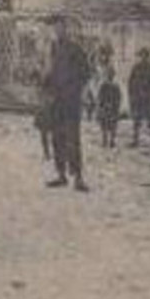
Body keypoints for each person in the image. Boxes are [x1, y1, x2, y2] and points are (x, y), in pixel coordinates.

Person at [46, 17, 91, 191]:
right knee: (57, 138)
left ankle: (78, 177)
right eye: (55, 28)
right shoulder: (53, 49)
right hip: (56, 101)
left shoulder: (75, 49)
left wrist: (74, 89)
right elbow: (52, 74)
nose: (58, 31)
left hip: (71, 101)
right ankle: (61, 174)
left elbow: (86, 72)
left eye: (61, 28)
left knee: (73, 139)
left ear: (67, 29)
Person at [128, 47, 150, 149]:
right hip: (138, 99)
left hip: (149, 99)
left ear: (148, 57)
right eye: (142, 55)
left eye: (145, 56)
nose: (143, 58)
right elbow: (131, 83)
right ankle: (135, 141)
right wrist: (133, 96)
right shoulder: (136, 68)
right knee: (136, 121)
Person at [96, 67, 122, 149]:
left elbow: (119, 97)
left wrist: (117, 105)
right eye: (109, 74)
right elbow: (100, 97)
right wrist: (101, 106)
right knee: (105, 125)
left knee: (112, 125)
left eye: (111, 74)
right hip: (105, 108)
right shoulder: (104, 85)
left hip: (113, 108)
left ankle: (111, 140)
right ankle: (105, 140)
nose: (110, 76)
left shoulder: (115, 86)